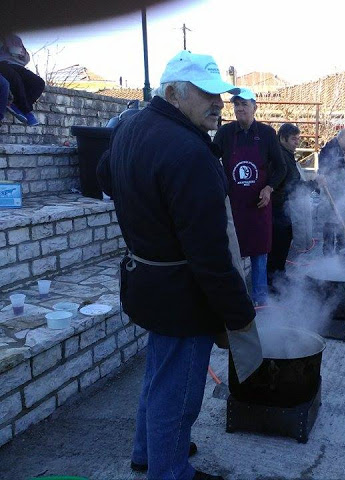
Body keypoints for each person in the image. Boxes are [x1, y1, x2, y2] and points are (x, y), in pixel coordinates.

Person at [96, 51, 261, 480]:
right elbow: (210, 255)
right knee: (180, 390)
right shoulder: (189, 151)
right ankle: (169, 471)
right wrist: (238, 313)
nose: (218, 105)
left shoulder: (132, 127)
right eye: (206, 95)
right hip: (183, 294)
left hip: (147, 279)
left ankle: (146, 453)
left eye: (220, 97)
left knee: (158, 374)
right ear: (172, 93)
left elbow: (102, 175)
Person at [213, 87, 286, 306]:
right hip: (232, 206)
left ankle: (261, 303)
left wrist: (269, 188)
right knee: (232, 256)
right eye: (236, 104)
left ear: (255, 107)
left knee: (259, 256)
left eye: (244, 104)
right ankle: (236, 302)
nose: (239, 108)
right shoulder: (224, 133)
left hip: (258, 206)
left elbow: (281, 168)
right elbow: (210, 160)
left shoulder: (266, 134)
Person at [267, 123, 320, 289]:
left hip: (286, 208)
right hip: (279, 208)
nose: (297, 142)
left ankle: (280, 276)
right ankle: (274, 283)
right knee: (278, 246)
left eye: (298, 138)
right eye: (293, 139)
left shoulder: (288, 155)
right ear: (282, 138)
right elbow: (293, 186)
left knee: (283, 245)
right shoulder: (281, 157)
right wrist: (314, 184)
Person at [318, 128, 345, 255]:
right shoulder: (329, 148)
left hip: (341, 195)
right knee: (330, 226)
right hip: (331, 195)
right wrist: (342, 161)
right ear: (339, 138)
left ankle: (341, 255)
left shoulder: (343, 151)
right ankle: (328, 258)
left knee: (343, 225)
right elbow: (326, 166)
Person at [0, 33, 44, 126]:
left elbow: (26, 60)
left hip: (17, 65)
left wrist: (22, 55)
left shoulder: (16, 39)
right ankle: (26, 110)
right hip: (2, 64)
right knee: (15, 78)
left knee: (38, 82)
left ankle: (18, 105)